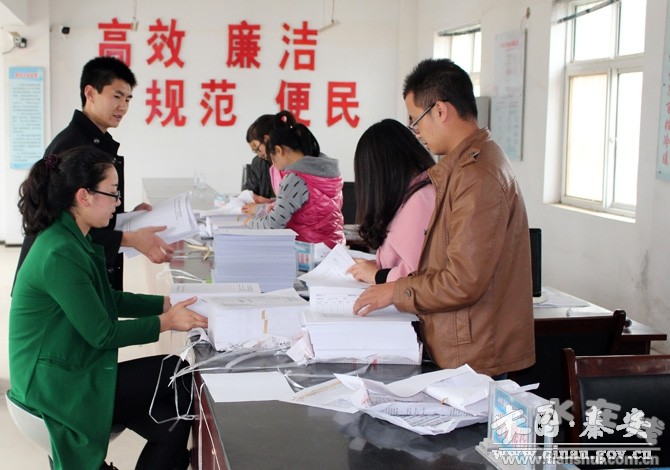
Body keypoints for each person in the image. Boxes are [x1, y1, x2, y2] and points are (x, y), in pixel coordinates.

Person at [9, 146, 208, 470]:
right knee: (175, 377)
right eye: (113, 193)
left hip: (65, 367)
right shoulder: (60, 252)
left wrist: (166, 304)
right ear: (84, 196)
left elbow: (108, 299)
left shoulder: (72, 237)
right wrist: (167, 321)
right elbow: (102, 333)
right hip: (53, 385)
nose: (118, 203)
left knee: (172, 400)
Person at [353, 58, 535, 378]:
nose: (417, 133)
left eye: (416, 120)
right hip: (462, 342)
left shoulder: (477, 176)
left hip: (474, 353)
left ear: (439, 110)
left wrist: (393, 290)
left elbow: (462, 281)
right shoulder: (462, 168)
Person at [14, 56, 173, 292]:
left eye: (128, 99)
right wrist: (128, 238)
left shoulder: (94, 142)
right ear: (90, 93)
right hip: (57, 278)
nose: (123, 107)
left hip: (70, 270)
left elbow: (84, 210)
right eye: (117, 96)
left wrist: (126, 218)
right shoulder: (73, 147)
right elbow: (60, 226)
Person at [346, 119, 436, 284]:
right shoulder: (409, 194)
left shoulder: (420, 199)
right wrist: (376, 267)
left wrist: (377, 275)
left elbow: (418, 276)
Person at [244, 123, 346, 248]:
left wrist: (249, 222)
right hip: (335, 248)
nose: (274, 165)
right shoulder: (329, 172)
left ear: (279, 150)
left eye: (272, 158)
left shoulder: (294, 179)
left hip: (308, 250)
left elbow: (273, 224)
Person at [243, 111, 298, 204]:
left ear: (267, 139)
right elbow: (249, 191)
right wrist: (253, 197)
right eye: (255, 151)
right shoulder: (258, 163)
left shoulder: (298, 163)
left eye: (258, 149)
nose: (259, 155)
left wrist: (268, 205)